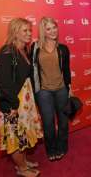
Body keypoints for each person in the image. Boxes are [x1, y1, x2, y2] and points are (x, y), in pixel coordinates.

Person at [0, 18, 43, 177]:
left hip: (25, 101)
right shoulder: (6, 52)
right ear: (15, 32)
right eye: (25, 30)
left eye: (30, 30)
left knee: (23, 134)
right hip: (13, 103)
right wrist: (12, 105)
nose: (29, 33)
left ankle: (23, 162)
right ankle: (22, 169)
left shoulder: (23, 50)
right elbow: (5, 84)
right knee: (15, 137)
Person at [31, 17, 72, 161]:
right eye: (48, 29)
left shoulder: (63, 49)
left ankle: (62, 146)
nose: (53, 31)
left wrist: (69, 89)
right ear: (43, 31)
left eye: (54, 27)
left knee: (63, 121)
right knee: (48, 122)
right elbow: (32, 71)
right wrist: (34, 91)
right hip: (43, 92)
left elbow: (66, 71)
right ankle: (51, 149)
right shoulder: (35, 48)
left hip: (61, 89)